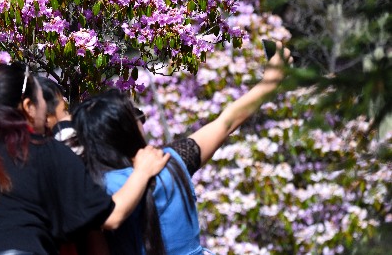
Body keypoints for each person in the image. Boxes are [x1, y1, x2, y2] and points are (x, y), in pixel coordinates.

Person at [0, 63, 170, 255]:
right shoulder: (46, 152)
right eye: (41, 98)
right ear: (27, 107)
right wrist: (142, 171)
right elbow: (110, 217)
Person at [71, 41, 293, 255]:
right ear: (127, 130)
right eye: (137, 116)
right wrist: (270, 83)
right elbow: (227, 122)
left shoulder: (90, 185)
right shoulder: (172, 161)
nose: (142, 121)